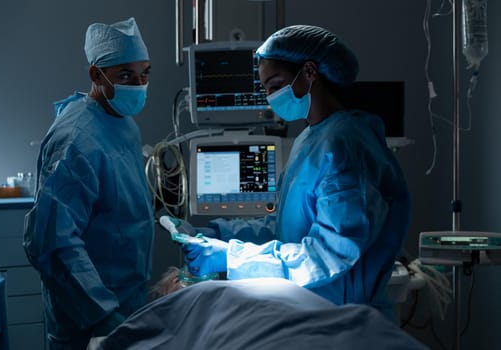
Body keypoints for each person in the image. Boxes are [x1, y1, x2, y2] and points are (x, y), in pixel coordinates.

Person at [175, 24, 411, 318]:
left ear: (310, 72)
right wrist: (216, 234)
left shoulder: (345, 146)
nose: (270, 97)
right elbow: (283, 227)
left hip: (345, 321)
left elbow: (328, 255)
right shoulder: (308, 140)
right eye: (265, 89)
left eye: (275, 86)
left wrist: (231, 257)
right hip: (307, 312)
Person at [23, 17, 155, 349]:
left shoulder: (122, 122)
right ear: (96, 74)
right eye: (125, 75)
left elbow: (119, 209)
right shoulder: (77, 141)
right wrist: (101, 315)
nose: (138, 84)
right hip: (87, 319)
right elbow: (52, 241)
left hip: (126, 303)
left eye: (144, 74)